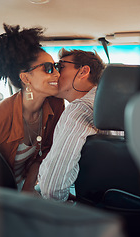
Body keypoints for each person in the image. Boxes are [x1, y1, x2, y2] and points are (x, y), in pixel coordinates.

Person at [0, 24, 64, 192]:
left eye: (56, 66)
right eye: (48, 68)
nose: (57, 73)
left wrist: (28, 189)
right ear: (26, 78)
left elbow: (47, 150)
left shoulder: (56, 105)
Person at [38, 48, 107, 201]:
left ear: (83, 71)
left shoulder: (80, 109)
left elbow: (51, 189)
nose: (54, 73)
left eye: (60, 67)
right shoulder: (115, 108)